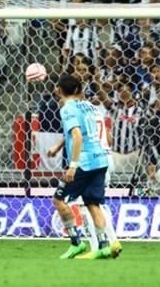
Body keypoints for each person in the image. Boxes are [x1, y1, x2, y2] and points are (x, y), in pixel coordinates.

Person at [45, 74, 120, 260]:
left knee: (58, 200)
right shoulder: (91, 107)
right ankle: (103, 246)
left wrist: (72, 166)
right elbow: (89, 131)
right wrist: (59, 146)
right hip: (101, 159)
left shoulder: (66, 109)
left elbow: (77, 135)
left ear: (58, 90)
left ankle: (76, 243)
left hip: (84, 163)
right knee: (92, 203)